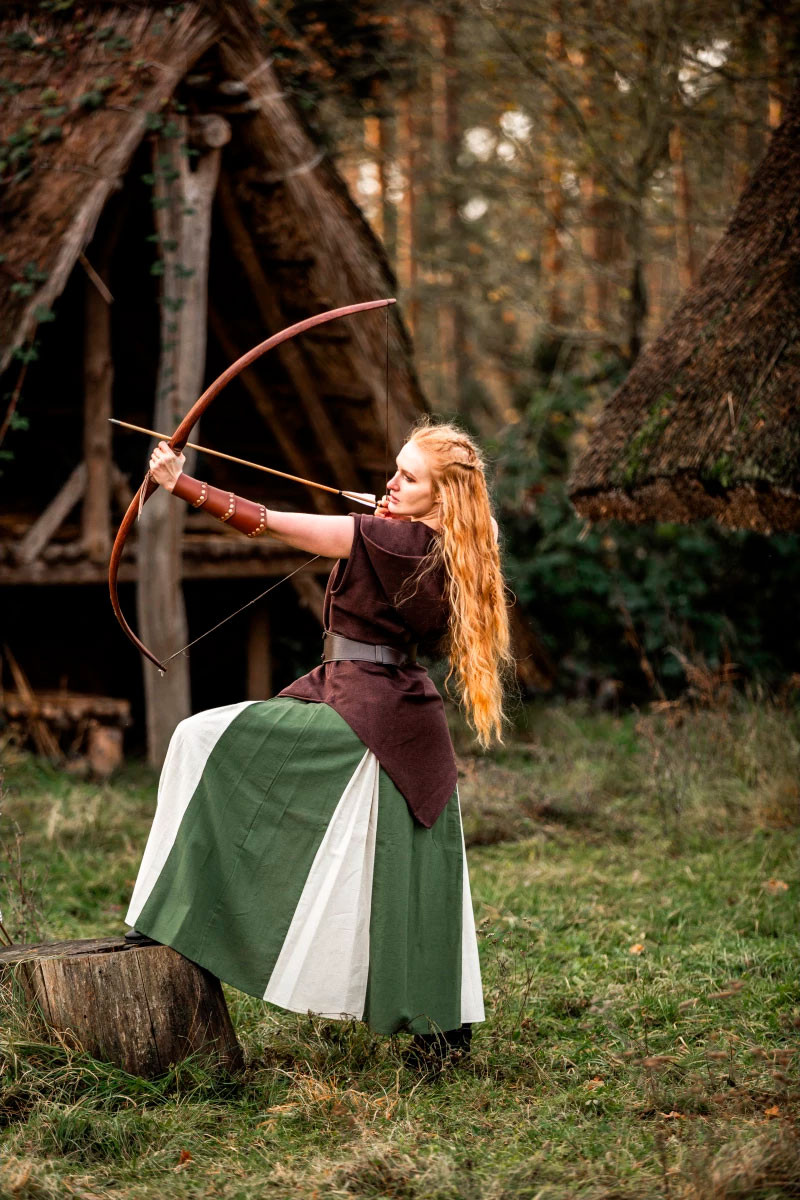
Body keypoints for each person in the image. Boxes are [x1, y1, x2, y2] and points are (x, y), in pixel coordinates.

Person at [125, 418, 512, 1061]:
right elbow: (460, 528)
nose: (391, 483)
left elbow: (269, 522)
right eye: (395, 470)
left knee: (197, 738)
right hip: (393, 711)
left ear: (442, 497)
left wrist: (181, 484)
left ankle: (170, 917)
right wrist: (395, 517)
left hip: (366, 706)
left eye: (409, 478)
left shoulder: (393, 539)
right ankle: (442, 1033)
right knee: (412, 870)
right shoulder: (450, 543)